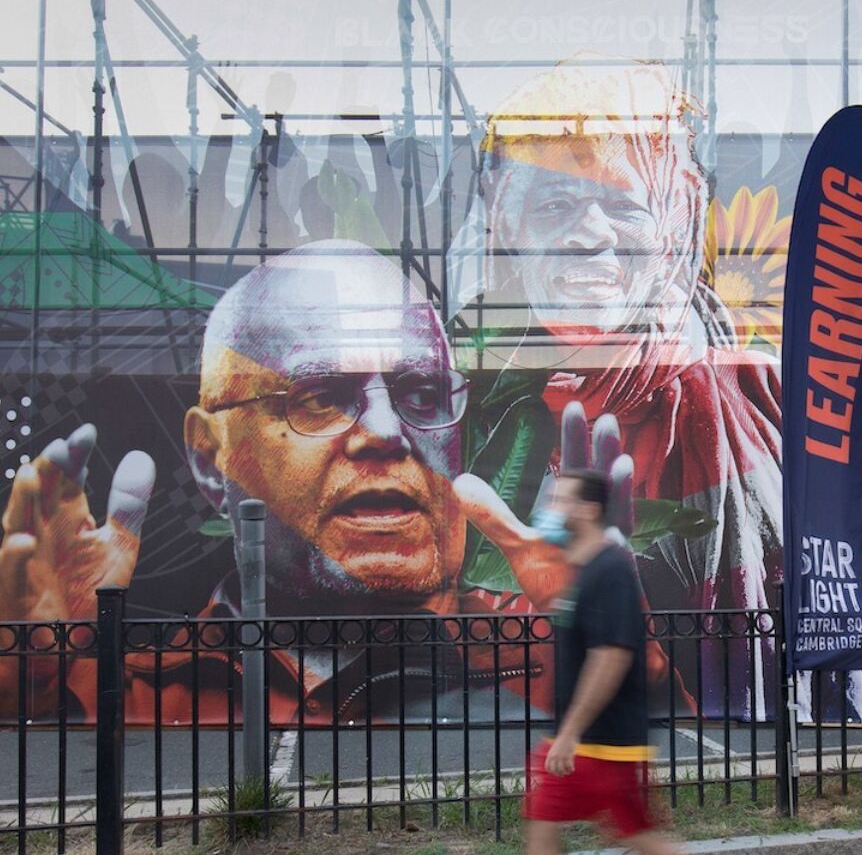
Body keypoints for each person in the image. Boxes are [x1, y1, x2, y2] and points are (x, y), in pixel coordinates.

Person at [0, 239, 683, 724]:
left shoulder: (534, 647)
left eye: (420, 392)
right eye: (320, 396)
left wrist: (611, 631)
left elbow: (664, 747)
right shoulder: (123, 684)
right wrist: (29, 674)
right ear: (211, 458)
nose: (385, 432)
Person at [463, 60, 803, 720]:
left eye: (623, 205)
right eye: (556, 205)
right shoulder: (458, 395)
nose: (590, 235)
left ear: (670, 229)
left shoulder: (745, 396)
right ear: (508, 227)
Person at [466, 468, 754, 855]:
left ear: (589, 509)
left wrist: (571, 733)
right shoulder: (584, 568)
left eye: (562, 500)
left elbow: (612, 656)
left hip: (605, 742)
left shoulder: (611, 569)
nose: (552, 509)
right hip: (592, 739)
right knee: (568, 824)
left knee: (623, 832)